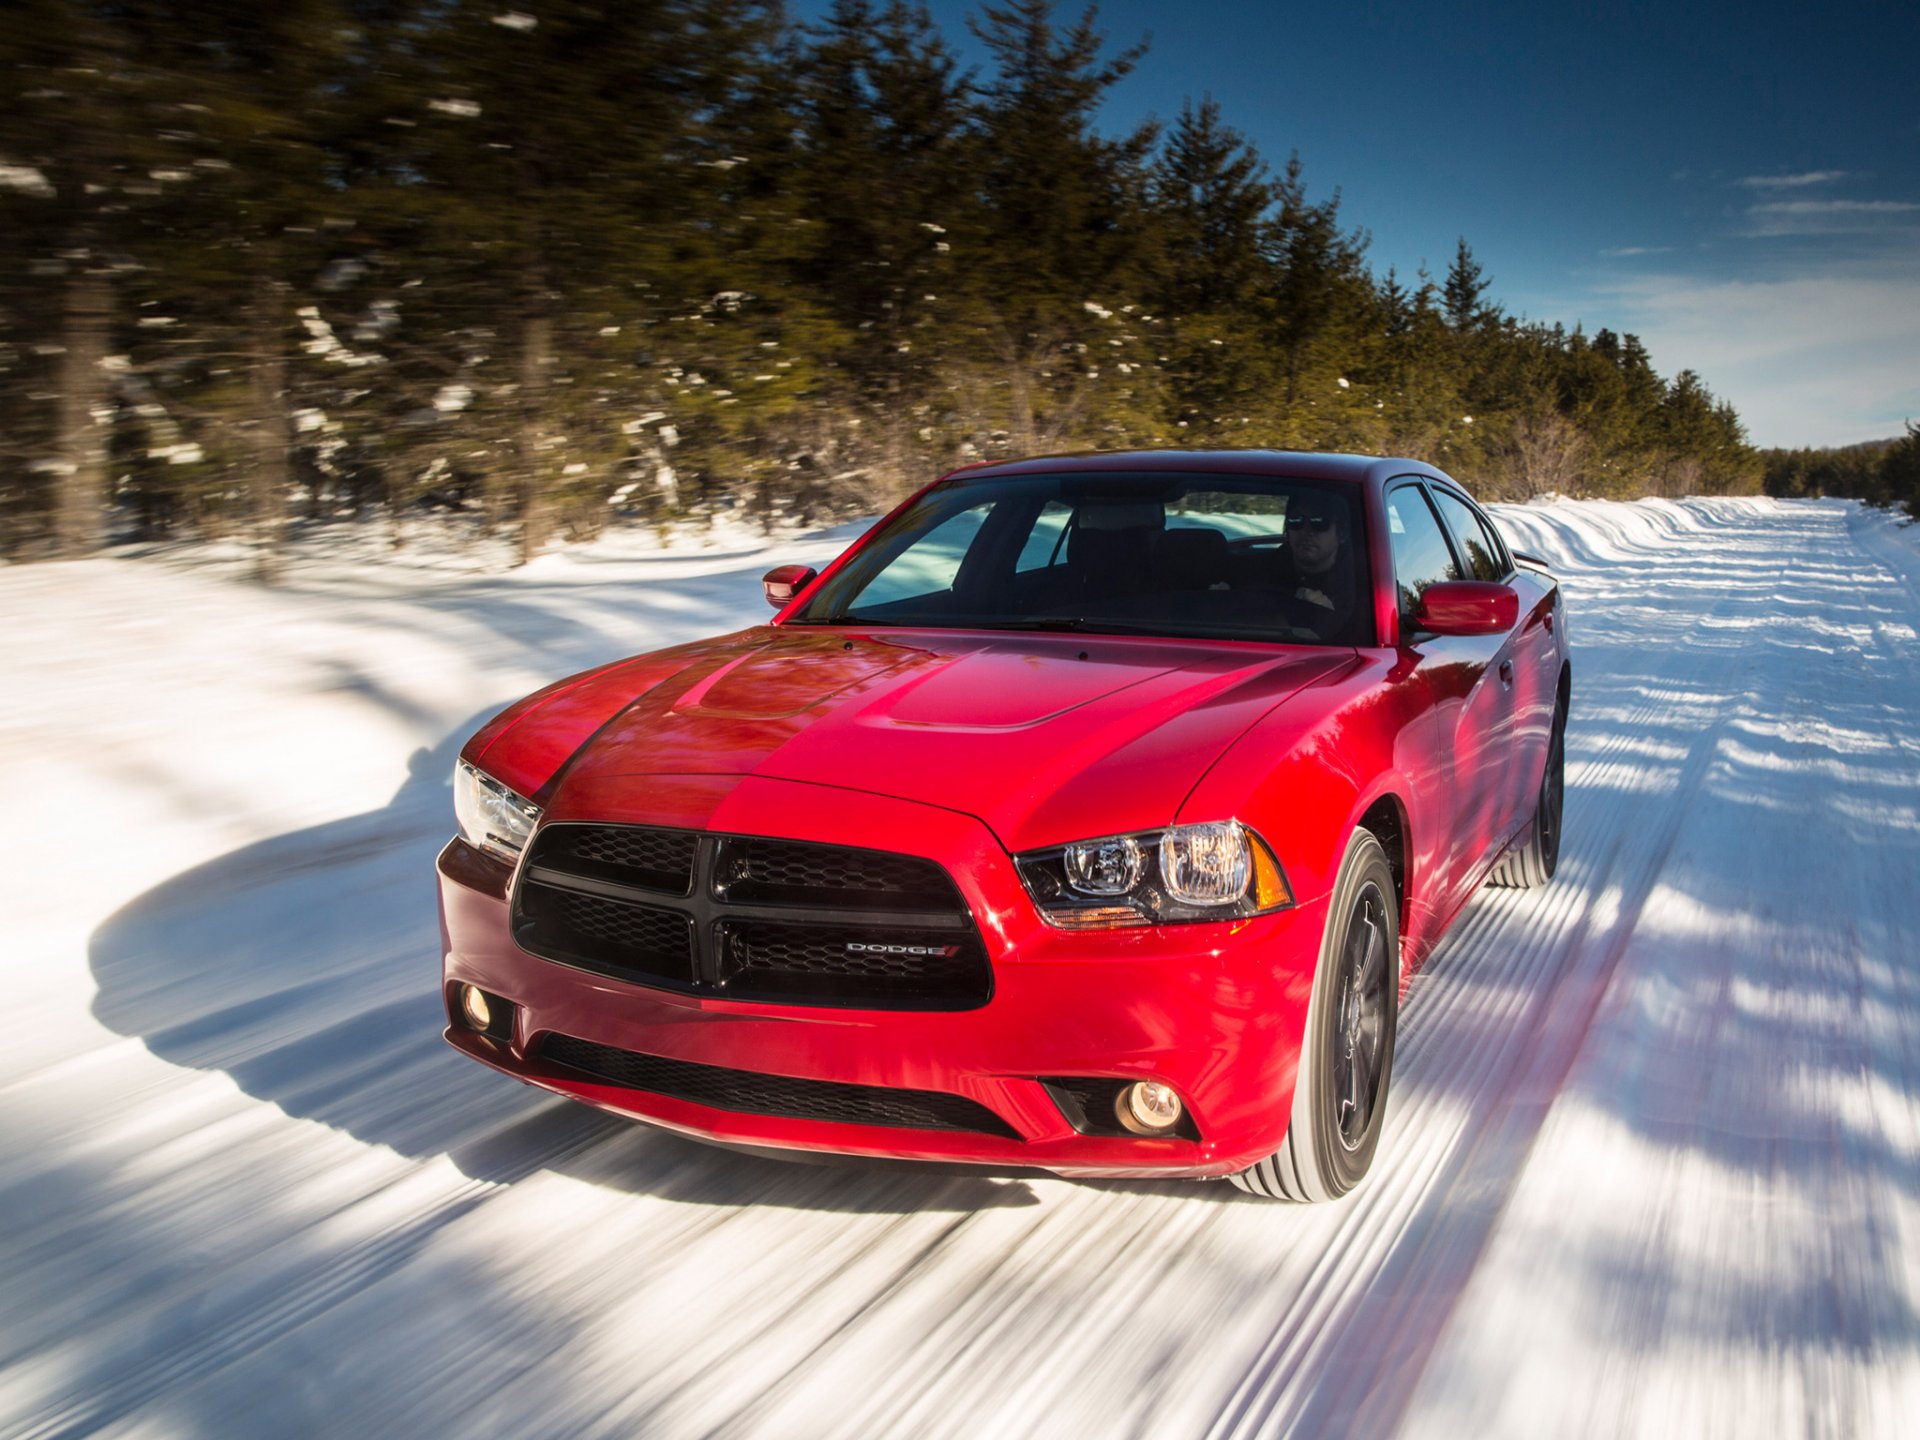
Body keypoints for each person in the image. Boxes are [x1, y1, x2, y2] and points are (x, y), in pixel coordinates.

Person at [1282, 500, 1361, 641]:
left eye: (1320, 522)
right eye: (1296, 520)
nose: (1306, 531)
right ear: (1287, 528)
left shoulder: (1363, 588)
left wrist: (1328, 617)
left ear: (1342, 533)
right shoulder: (1258, 572)